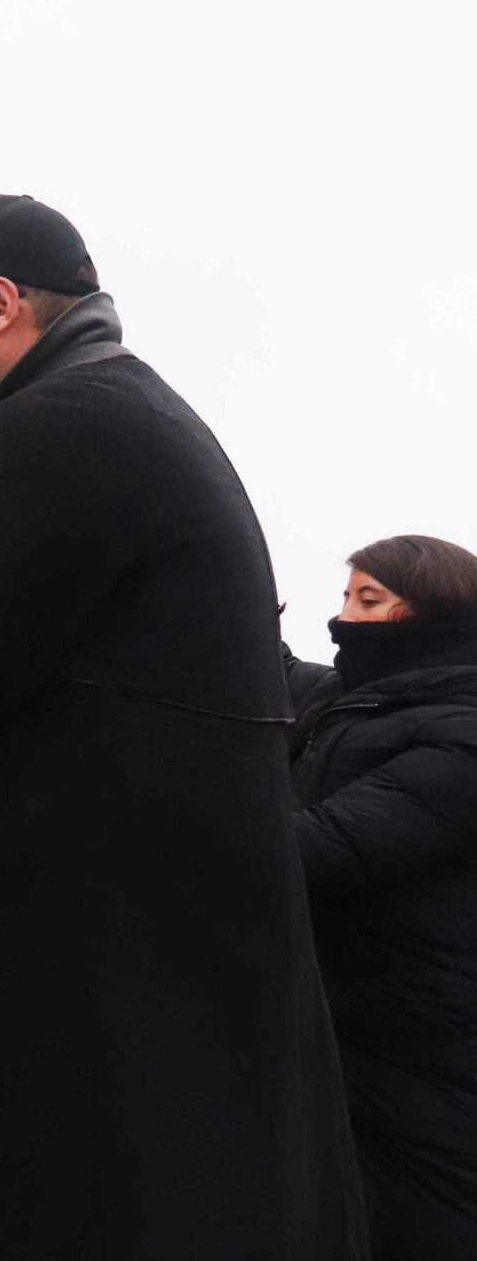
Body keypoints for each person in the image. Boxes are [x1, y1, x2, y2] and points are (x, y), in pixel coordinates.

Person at [0, 195, 363, 1259]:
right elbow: (109, 737)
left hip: (117, 1006)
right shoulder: (123, 416)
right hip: (163, 974)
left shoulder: (59, 429)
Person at [290, 536, 477, 1258]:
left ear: (433, 613)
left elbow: (323, 846)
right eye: (345, 598)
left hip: (429, 1056)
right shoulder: (350, 703)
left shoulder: (462, 734)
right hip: (346, 1039)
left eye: (368, 601)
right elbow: (260, 668)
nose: (345, 619)